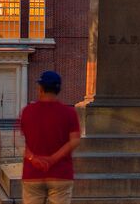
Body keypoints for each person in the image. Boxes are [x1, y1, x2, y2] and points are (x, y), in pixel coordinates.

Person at [20, 71, 81, 204]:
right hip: (61, 173)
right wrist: (53, 159)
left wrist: (33, 158)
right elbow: (75, 139)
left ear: (40, 88)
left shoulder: (27, 111)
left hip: (32, 173)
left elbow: (20, 141)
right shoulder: (69, 112)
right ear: (58, 89)